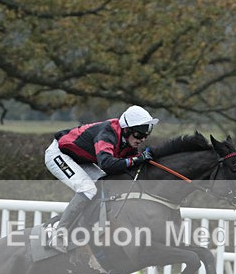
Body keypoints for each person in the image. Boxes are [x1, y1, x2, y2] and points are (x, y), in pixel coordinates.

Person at [44, 105, 159, 251]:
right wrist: (136, 160)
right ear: (127, 129)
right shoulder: (107, 133)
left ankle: (81, 226)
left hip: (81, 159)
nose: (142, 139)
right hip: (59, 154)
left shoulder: (127, 140)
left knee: (106, 184)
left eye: (145, 136)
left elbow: (130, 163)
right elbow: (107, 164)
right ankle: (58, 234)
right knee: (87, 189)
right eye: (138, 135)